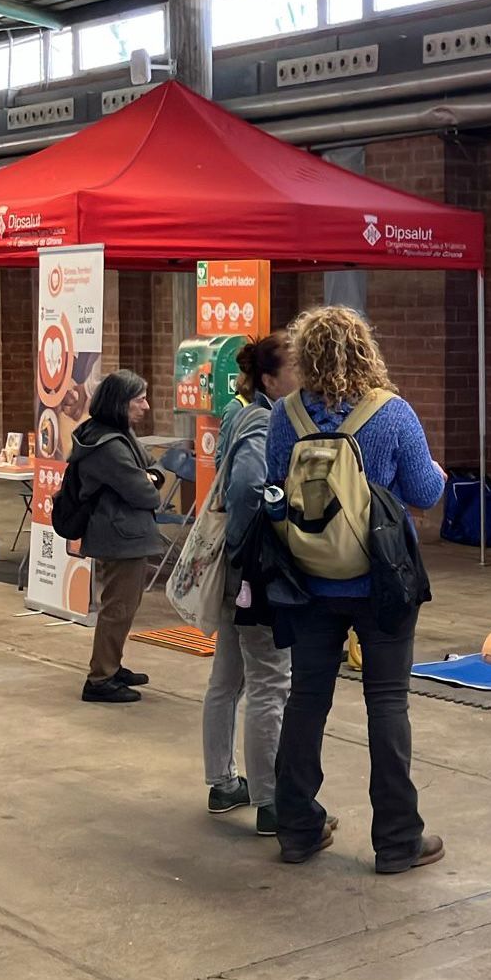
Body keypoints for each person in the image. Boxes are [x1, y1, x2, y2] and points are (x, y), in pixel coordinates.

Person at [266, 306, 447, 871]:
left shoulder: (285, 416)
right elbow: (425, 492)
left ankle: (297, 829)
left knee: (306, 699)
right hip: (381, 582)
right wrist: (437, 473)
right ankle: (396, 840)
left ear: (304, 355)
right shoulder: (391, 413)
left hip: (308, 582)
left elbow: (275, 490)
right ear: (366, 350)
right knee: (387, 703)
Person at [201, 334, 298, 835]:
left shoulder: (241, 415)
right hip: (253, 575)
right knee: (270, 684)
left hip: (234, 571)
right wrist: (253, 548)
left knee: (228, 679)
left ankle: (223, 783)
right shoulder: (263, 422)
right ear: (269, 379)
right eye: (296, 369)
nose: (304, 377)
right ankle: (270, 801)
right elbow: (245, 490)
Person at [72, 370, 163, 703]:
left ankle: (110, 664)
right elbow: (146, 493)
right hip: (120, 535)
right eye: (140, 399)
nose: (146, 406)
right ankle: (100, 678)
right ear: (121, 403)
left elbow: (155, 471)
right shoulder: (108, 445)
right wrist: (147, 480)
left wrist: (149, 477)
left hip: (125, 532)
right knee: (118, 607)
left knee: (123, 605)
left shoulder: (118, 434)